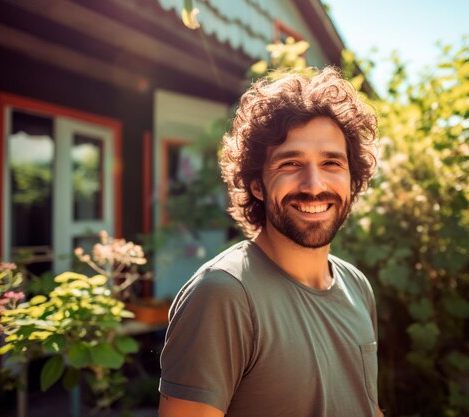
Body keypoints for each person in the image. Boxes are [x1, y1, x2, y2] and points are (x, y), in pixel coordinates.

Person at [159, 67, 383, 417]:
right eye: (290, 163)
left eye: (331, 163)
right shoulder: (222, 294)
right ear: (257, 185)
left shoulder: (357, 286)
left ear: (352, 180)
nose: (314, 185)